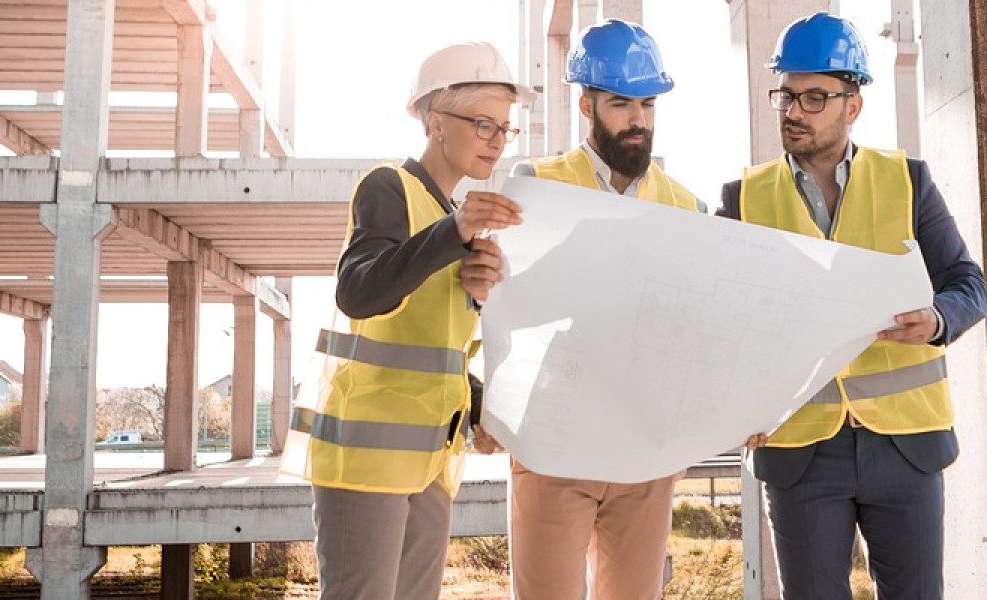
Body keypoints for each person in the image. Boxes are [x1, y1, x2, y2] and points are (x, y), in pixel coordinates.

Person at [717, 12, 987, 600]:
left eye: (814, 98)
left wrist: (938, 319)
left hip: (906, 448)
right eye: (786, 95)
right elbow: (720, 319)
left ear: (852, 105)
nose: (794, 111)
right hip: (800, 451)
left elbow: (969, 284)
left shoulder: (906, 180)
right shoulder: (744, 199)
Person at [291, 41, 528, 600]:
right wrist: (453, 237)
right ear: (434, 120)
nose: (496, 141)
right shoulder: (387, 186)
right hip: (364, 462)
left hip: (430, 462)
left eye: (505, 128)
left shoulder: (450, 220)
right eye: (483, 124)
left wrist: (476, 405)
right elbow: (359, 291)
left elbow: (431, 350)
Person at [493, 19, 702, 599]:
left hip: (644, 452)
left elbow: (695, 330)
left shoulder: (686, 205)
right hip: (554, 445)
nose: (637, 119)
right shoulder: (536, 185)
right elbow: (495, 304)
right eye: (620, 103)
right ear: (587, 104)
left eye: (646, 103)